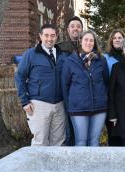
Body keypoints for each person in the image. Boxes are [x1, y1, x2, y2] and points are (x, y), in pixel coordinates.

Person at [15, 23, 66, 146]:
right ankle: (39, 166)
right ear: (40, 36)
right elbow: (19, 76)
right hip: (39, 104)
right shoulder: (31, 54)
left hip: (59, 105)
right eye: (46, 35)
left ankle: (54, 166)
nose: (50, 38)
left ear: (56, 37)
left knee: (58, 142)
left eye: (53, 35)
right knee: (40, 142)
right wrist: (24, 101)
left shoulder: (62, 55)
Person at [61, 30, 109, 146]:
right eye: (86, 40)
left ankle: (94, 165)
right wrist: (70, 105)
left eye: (91, 40)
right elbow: (65, 85)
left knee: (94, 142)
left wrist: (103, 98)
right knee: (81, 142)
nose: (88, 43)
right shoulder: (70, 61)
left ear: (94, 43)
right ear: (80, 41)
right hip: (78, 109)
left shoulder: (101, 60)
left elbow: (106, 82)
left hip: (99, 108)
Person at [58, 16, 84, 146]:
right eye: (72, 26)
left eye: (78, 26)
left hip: (82, 98)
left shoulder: (88, 46)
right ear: (67, 30)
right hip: (63, 96)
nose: (75, 29)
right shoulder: (59, 49)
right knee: (67, 132)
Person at [104, 29, 125, 146]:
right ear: (111, 41)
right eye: (115, 38)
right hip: (112, 102)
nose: (117, 40)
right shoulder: (106, 58)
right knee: (114, 136)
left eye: (120, 37)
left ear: (124, 40)